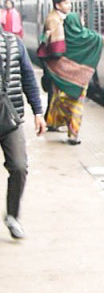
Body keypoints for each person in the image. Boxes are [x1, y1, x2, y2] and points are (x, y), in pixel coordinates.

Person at [38, 0, 104, 144]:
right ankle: (73, 135)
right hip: (78, 80)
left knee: (59, 102)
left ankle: (55, 123)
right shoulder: (87, 36)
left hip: (60, 79)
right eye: (81, 20)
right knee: (76, 107)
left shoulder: (62, 35)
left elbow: (50, 51)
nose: (83, 22)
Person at [1, 29, 46, 239]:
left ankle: (12, 215)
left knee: (19, 167)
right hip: (11, 115)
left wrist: (38, 111)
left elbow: (28, 77)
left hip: (11, 118)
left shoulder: (13, 42)